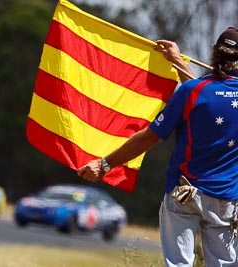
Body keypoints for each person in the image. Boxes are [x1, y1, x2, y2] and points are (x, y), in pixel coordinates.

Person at [77, 26, 238, 266]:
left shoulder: (194, 92)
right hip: (227, 202)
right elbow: (208, 97)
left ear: (214, 53)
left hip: (184, 195)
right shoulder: (196, 92)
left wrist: (104, 164)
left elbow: (150, 136)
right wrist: (176, 61)